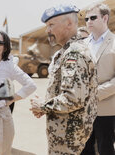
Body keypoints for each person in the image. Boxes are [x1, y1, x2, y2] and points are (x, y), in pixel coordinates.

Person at [30, 4, 98, 154]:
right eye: (47, 26)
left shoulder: (74, 53)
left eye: (51, 25)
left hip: (67, 138)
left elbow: (73, 98)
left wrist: (43, 105)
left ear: (69, 24)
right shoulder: (67, 51)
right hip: (63, 135)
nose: (48, 30)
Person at [81, 3, 115, 155]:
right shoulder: (81, 45)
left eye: (93, 18)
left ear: (105, 18)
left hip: (107, 109)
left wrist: (94, 93)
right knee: (84, 149)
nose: (88, 21)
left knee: (105, 149)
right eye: (86, 19)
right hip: (83, 110)